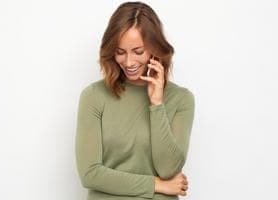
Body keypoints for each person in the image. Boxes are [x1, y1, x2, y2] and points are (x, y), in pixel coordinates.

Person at [75, 1, 195, 199]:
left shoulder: (181, 100)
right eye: (120, 52)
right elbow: (90, 174)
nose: (129, 62)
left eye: (138, 52)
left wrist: (157, 104)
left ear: (155, 48)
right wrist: (156, 184)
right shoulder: (94, 96)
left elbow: (168, 170)